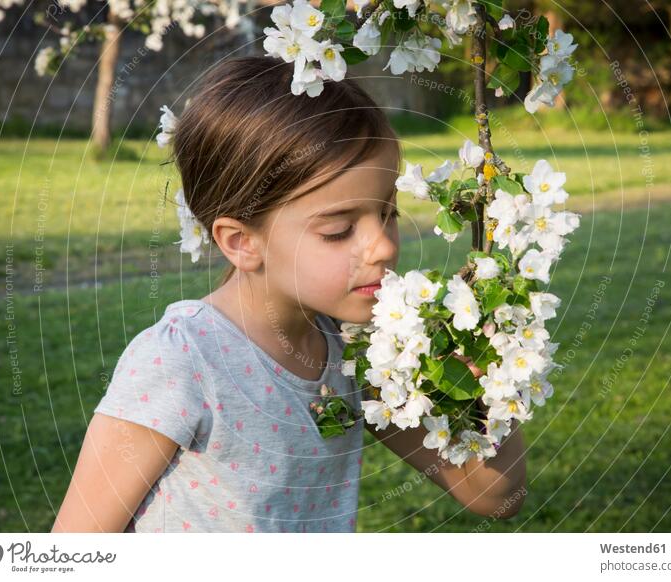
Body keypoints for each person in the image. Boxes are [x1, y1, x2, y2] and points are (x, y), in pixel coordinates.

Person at [52, 55, 526, 533]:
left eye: (388, 213)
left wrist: (488, 390)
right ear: (243, 242)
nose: (382, 245)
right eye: (339, 230)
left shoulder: (364, 352)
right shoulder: (181, 360)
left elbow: (490, 495)